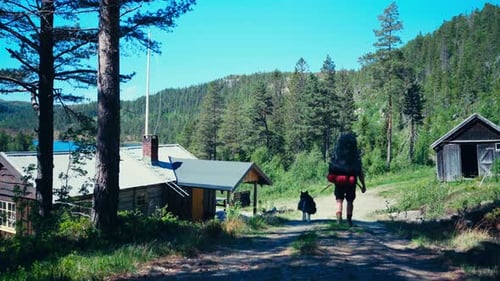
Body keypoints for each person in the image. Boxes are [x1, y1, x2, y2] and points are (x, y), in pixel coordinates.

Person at [327, 133, 366, 227]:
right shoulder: (355, 156)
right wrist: (363, 185)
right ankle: (349, 221)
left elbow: (331, 169)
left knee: (339, 200)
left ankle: (338, 220)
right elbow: (360, 172)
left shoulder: (337, 154)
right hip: (351, 182)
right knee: (350, 201)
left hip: (339, 181)